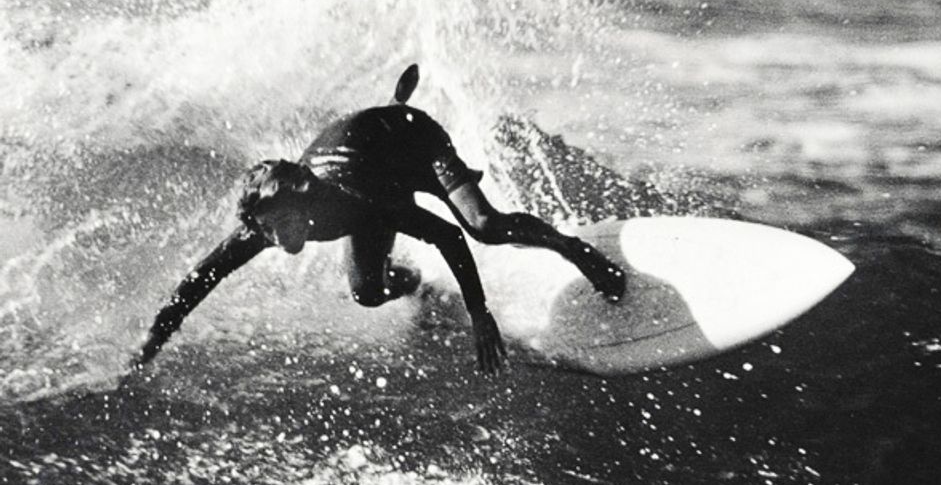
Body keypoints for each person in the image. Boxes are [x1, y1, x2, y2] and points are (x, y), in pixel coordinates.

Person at [130, 65, 625, 376]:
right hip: (372, 167)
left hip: (413, 143)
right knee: (368, 291)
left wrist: (480, 315)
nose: (276, 240)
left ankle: (572, 248)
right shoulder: (269, 220)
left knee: (483, 227)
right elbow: (200, 280)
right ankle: (415, 285)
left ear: (302, 199)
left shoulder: (355, 197)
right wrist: (150, 346)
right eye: (267, 230)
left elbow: (447, 235)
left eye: (281, 225)